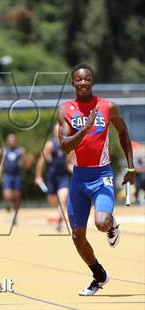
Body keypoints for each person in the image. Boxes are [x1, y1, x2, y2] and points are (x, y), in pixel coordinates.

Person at [58, 64, 135, 296]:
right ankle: (99, 275)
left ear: (93, 81)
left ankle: (112, 225)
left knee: (101, 222)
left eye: (87, 79)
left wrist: (130, 167)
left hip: (102, 175)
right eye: (79, 80)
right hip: (79, 178)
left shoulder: (107, 107)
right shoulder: (65, 109)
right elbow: (64, 146)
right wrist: (85, 129)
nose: (83, 83)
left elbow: (123, 132)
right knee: (76, 236)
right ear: (73, 82)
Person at [35, 123, 72, 231]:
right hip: (51, 177)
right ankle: (59, 211)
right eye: (58, 130)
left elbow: (68, 162)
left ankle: (60, 222)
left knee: (63, 199)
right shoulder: (50, 145)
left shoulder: (68, 144)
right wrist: (38, 176)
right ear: (54, 132)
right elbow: (41, 160)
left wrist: (73, 169)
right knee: (52, 201)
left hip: (62, 177)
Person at [0, 133, 32, 225]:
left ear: (16, 141)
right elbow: (1, 164)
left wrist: (27, 161)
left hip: (17, 176)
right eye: (10, 140)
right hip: (8, 175)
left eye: (13, 140)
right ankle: (8, 204)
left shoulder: (20, 151)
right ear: (7, 141)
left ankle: (15, 215)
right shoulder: (4, 151)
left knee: (16, 196)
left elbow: (25, 165)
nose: (11, 142)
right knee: (7, 194)